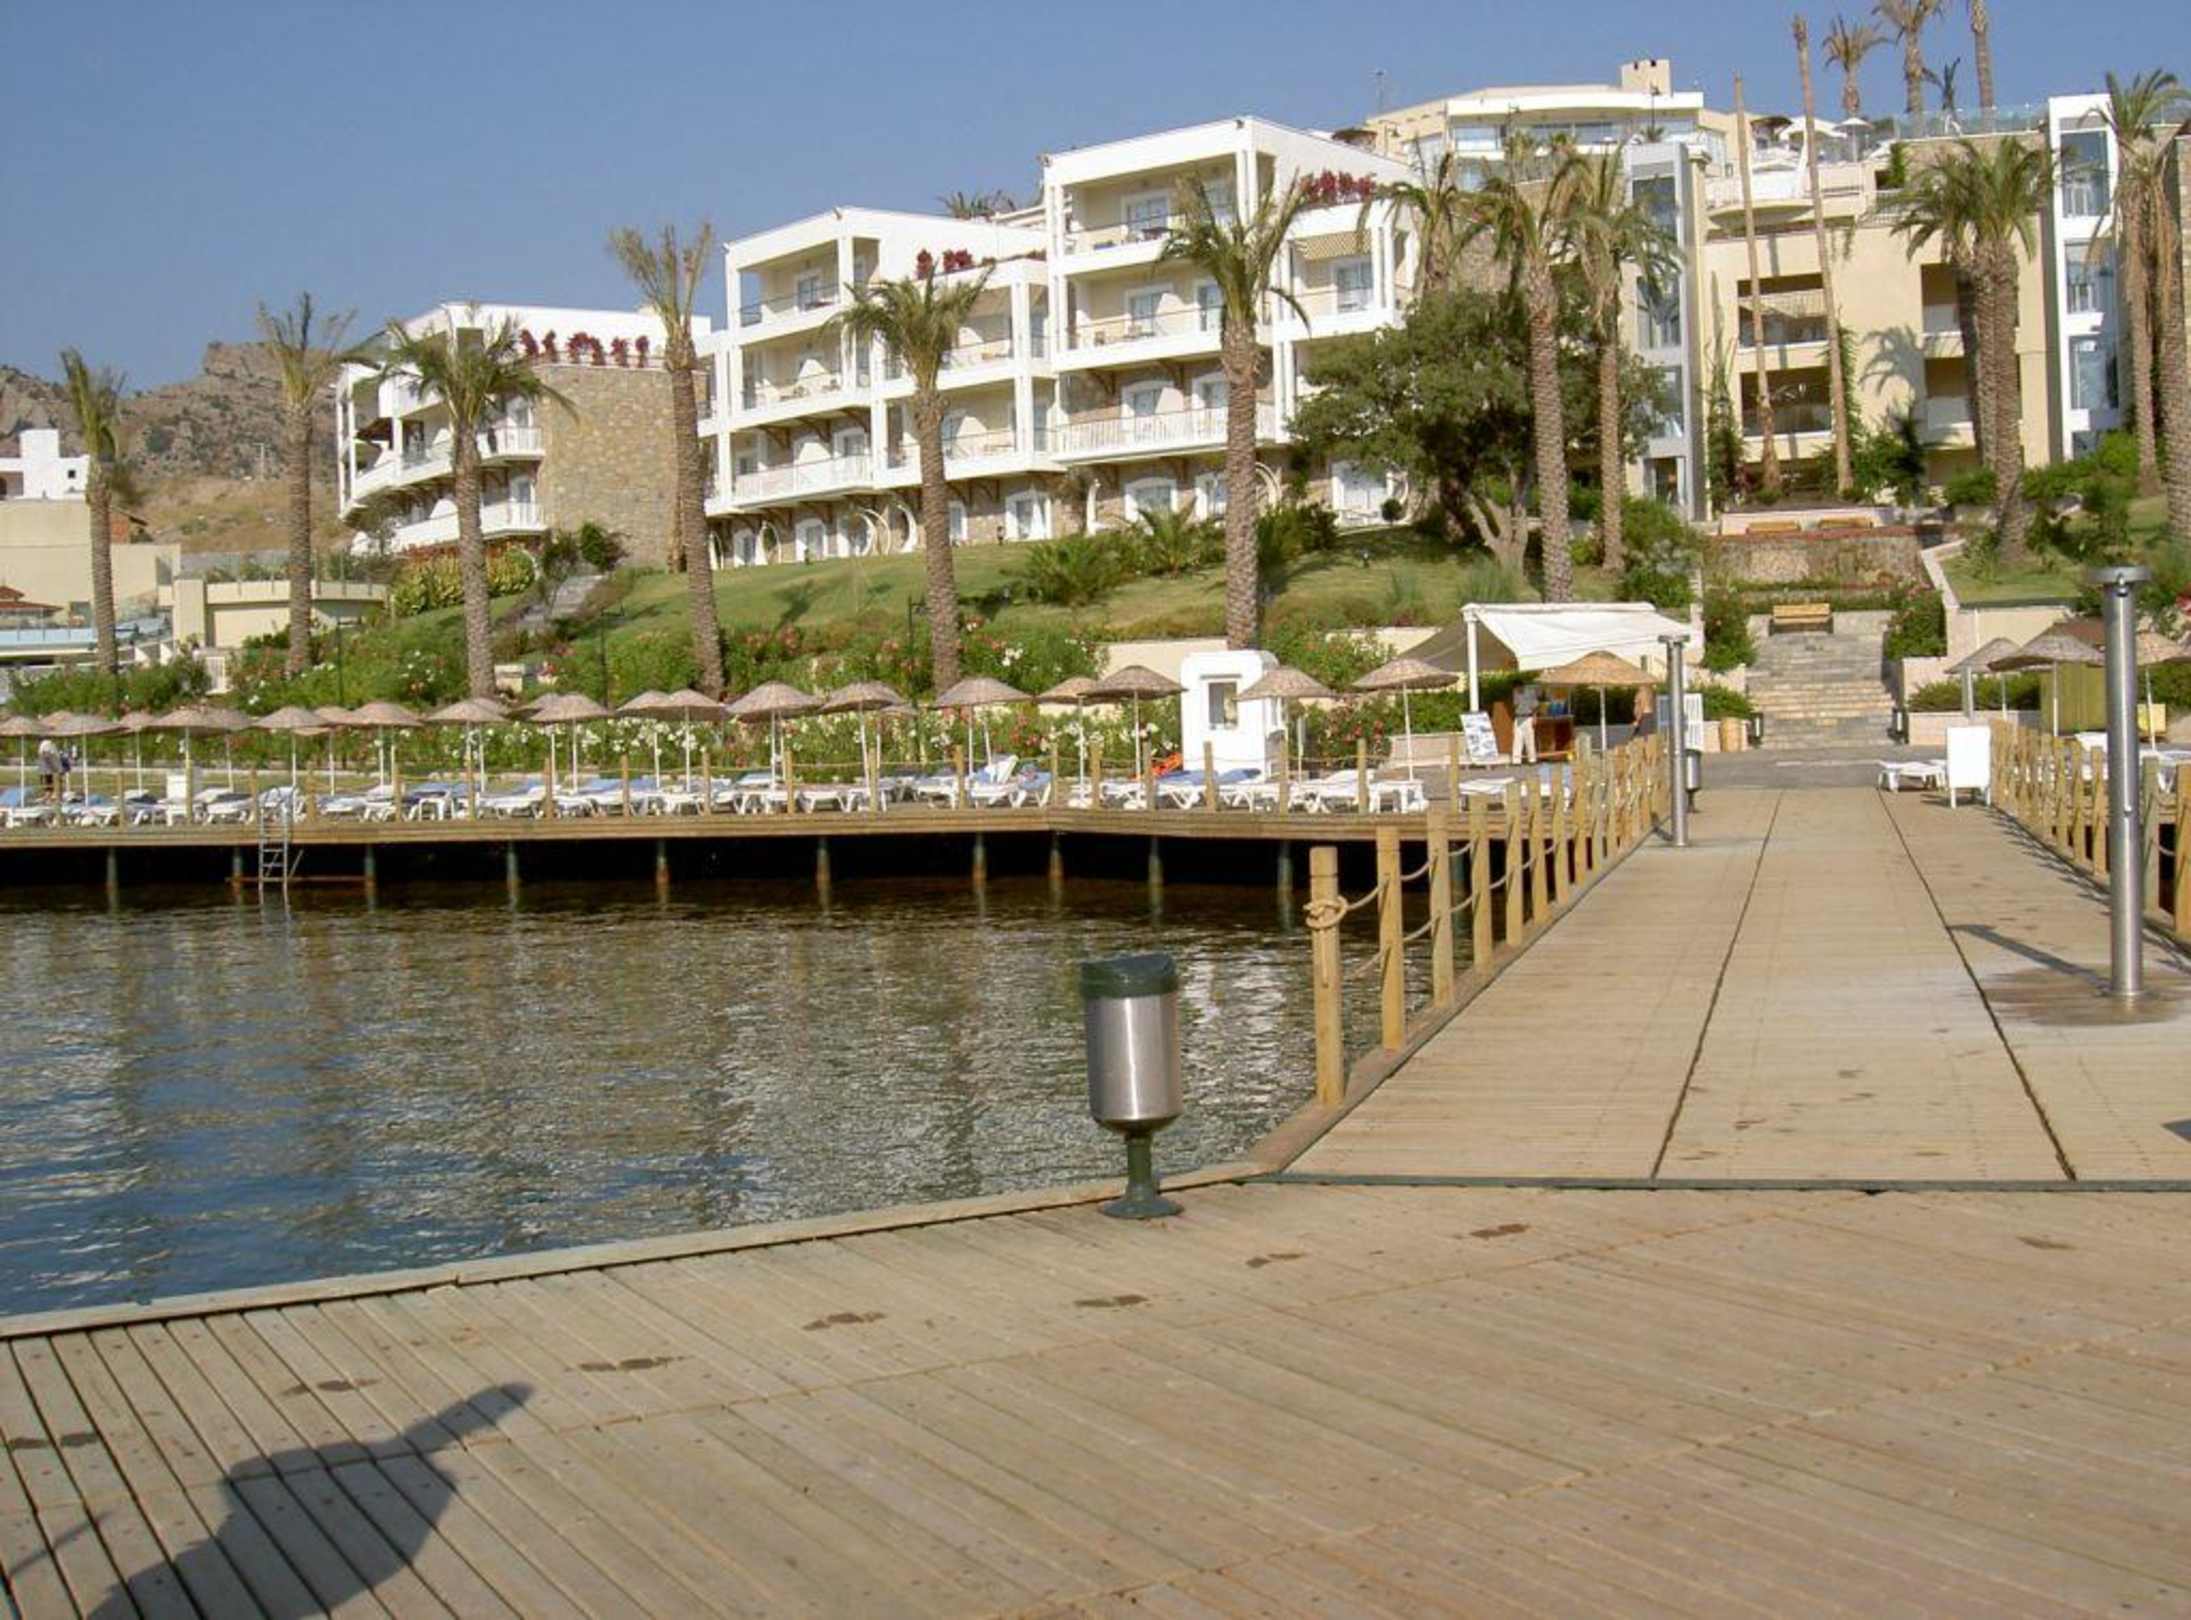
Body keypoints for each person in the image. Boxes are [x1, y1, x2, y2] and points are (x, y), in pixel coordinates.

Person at [1512, 684, 1539, 764]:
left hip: (1528, 717)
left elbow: (1535, 707)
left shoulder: (1530, 694)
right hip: (1518, 717)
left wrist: (1534, 717)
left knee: (1530, 739)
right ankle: (1516, 760)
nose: (1516, 690)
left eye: (1517, 688)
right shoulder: (1515, 694)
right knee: (1517, 739)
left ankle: (1532, 759)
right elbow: (1515, 706)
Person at [35, 737, 59, 802]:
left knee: (47, 778)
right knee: (47, 778)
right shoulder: (50, 744)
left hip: (48, 763)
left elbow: (43, 753)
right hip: (49, 763)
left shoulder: (45, 744)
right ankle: (48, 795)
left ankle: (49, 795)